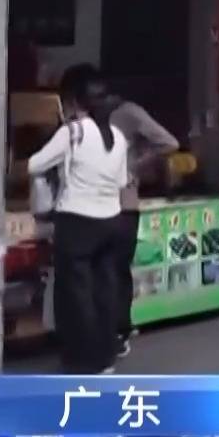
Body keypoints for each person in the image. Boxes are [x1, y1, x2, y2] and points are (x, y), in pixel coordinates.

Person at [28, 66, 130, 374]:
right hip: (112, 220)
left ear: (74, 101)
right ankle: (106, 356)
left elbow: (34, 164)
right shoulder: (118, 136)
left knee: (77, 294)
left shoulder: (73, 132)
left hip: (77, 223)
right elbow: (122, 181)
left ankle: (84, 361)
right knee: (105, 290)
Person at [93, 73, 180, 358]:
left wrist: (135, 166)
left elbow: (169, 142)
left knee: (115, 269)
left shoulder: (128, 113)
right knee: (105, 269)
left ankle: (119, 330)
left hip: (124, 204)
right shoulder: (91, 118)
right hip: (97, 203)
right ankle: (108, 329)